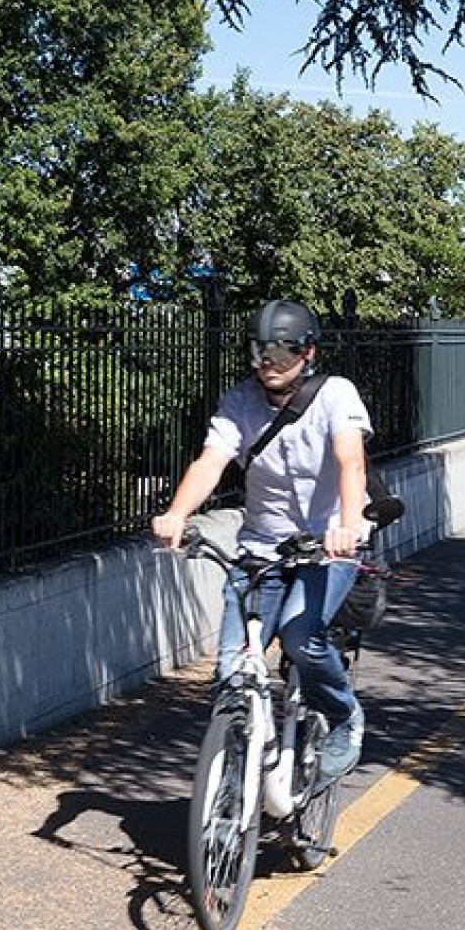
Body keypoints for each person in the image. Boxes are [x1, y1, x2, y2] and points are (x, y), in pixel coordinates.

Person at [149, 297, 372, 782]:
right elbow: (211, 461)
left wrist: (348, 525)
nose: (268, 363)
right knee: (232, 670)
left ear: (307, 353)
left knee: (300, 634)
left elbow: (351, 462)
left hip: (326, 547)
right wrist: (177, 513)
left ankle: (344, 717)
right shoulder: (240, 402)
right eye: (260, 352)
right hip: (260, 551)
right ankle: (234, 781)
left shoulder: (336, 395)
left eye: (281, 352)